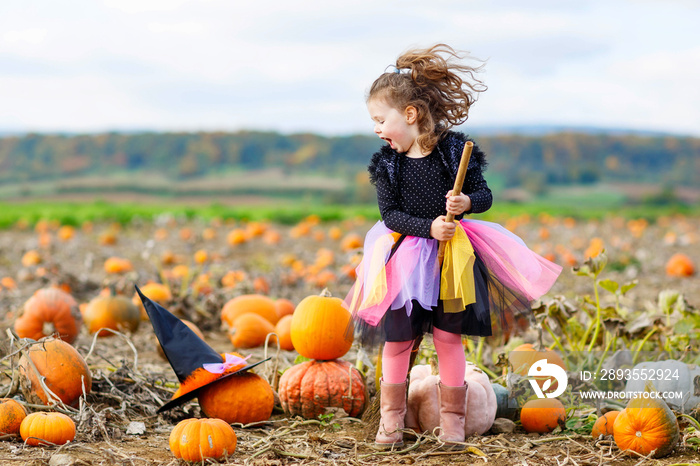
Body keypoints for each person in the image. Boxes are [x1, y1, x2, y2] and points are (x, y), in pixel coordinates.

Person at [345, 44, 562, 449]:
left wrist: (465, 204)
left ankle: (452, 425)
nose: (376, 128)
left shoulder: (452, 150)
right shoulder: (387, 164)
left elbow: (484, 195)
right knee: (398, 341)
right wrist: (429, 227)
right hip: (407, 259)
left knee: (448, 338)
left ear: (409, 115)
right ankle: (390, 425)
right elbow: (390, 215)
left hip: (453, 259)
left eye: (380, 119)